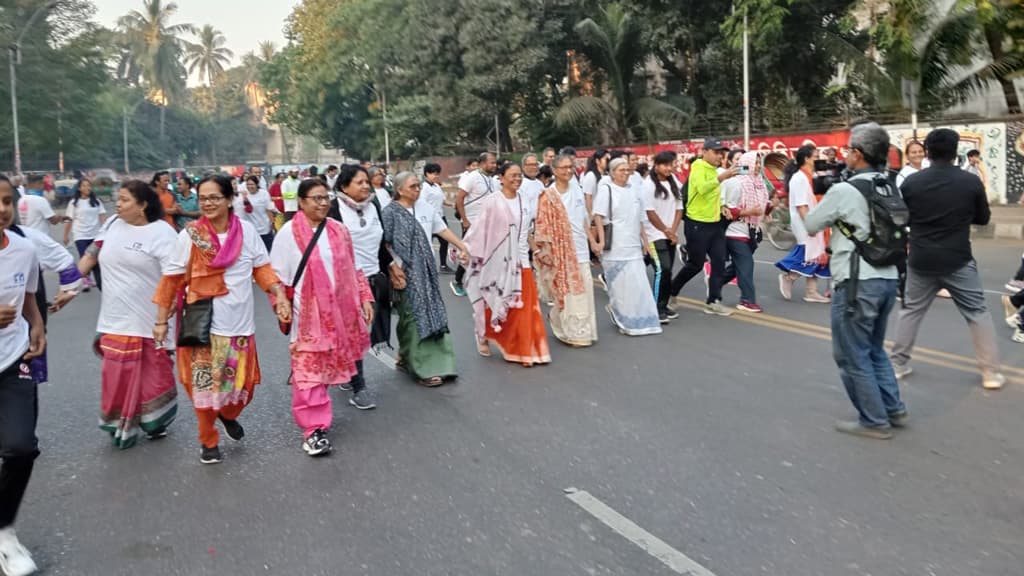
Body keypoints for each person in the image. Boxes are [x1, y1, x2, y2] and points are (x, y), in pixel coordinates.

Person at [152, 175, 291, 464]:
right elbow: (171, 280)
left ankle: (226, 415)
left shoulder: (248, 233)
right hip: (202, 328)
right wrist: (161, 321)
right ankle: (208, 440)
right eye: (203, 198)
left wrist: (278, 294)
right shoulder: (191, 235)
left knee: (240, 389)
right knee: (204, 390)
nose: (208, 203)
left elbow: (262, 269)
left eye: (215, 197)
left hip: (239, 326)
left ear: (229, 200)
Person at [802, 122, 906, 439]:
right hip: (888, 277)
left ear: (858, 154)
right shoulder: (890, 185)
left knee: (850, 354)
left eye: (849, 149)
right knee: (874, 348)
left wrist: (827, 195)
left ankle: (873, 421)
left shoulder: (845, 189)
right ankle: (893, 408)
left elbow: (811, 223)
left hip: (858, 282)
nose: (846, 155)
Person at [890, 128, 1006, 390]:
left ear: (928, 152)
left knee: (910, 311)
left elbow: (903, 218)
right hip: (958, 259)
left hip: (920, 260)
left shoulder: (911, 183)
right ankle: (990, 373)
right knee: (977, 312)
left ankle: (897, 364)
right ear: (956, 152)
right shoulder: (970, 182)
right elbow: (983, 219)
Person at [271, 179, 372, 456]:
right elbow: (275, 277)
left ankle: (320, 413)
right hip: (308, 317)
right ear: (301, 202)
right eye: (315, 198)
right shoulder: (288, 233)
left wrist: (364, 296)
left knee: (326, 368)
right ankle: (314, 429)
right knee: (309, 372)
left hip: (341, 314)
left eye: (325, 197)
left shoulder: (339, 230)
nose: (323, 203)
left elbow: (355, 267)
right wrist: (279, 301)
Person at [75, 181, 179, 449]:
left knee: (154, 375)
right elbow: (90, 256)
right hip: (115, 318)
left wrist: (164, 318)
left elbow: (174, 279)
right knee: (115, 375)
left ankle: (154, 422)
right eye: (117, 199)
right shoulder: (111, 225)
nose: (117, 205)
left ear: (143, 205)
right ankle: (119, 422)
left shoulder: (163, 233)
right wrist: (70, 286)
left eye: (123, 200)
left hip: (151, 318)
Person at [0, 177, 47, 576]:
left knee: (20, 447)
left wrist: (37, 325)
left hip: (13, 360)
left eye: (5, 201)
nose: (1, 209)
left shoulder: (23, 249)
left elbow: (28, 296)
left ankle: (4, 533)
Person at [382, 172, 468, 385]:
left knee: (432, 314)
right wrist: (393, 268)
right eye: (412, 187)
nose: (417, 190)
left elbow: (442, 229)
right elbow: (384, 243)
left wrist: (462, 245)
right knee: (411, 316)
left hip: (427, 271)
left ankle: (433, 363)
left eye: (418, 186)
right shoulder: (390, 212)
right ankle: (421, 366)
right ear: (400, 189)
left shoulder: (425, 208)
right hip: (404, 272)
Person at [465, 162, 551, 366]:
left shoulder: (525, 200)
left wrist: (537, 250)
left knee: (525, 307)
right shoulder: (493, 202)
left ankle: (524, 349)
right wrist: (466, 249)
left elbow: (527, 232)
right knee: (497, 301)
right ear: (501, 178)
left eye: (519, 175)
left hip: (522, 259)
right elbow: (480, 230)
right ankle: (483, 333)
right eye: (512, 175)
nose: (517, 179)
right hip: (499, 261)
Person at [327, 165, 391, 410]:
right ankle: (359, 386)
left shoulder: (373, 206)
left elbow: (379, 242)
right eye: (359, 182)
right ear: (344, 187)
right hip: (345, 284)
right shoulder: (334, 210)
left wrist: (392, 266)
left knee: (362, 332)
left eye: (367, 181)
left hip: (374, 278)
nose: (366, 186)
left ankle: (348, 368)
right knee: (356, 331)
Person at [592, 157, 662, 336]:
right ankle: (622, 317)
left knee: (638, 285)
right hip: (615, 246)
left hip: (633, 245)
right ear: (612, 172)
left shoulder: (634, 191)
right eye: (621, 170)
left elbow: (639, 220)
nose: (625, 173)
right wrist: (600, 241)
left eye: (627, 170)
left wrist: (645, 243)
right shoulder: (606, 189)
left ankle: (641, 320)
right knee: (621, 287)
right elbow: (599, 216)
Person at [534, 154, 598, 347]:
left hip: (580, 250)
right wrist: (549, 252)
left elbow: (583, 220)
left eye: (570, 167)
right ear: (554, 170)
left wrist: (592, 242)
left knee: (584, 289)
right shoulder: (548, 196)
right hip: (561, 252)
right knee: (568, 292)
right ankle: (573, 332)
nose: (568, 171)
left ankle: (578, 327)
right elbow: (542, 227)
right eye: (563, 168)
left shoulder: (577, 189)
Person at [669, 138, 737, 316]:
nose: (719, 156)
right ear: (704, 151)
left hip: (715, 224)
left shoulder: (714, 170)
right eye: (716, 152)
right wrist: (721, 178)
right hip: (697, 224)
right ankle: (672, 292)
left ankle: (713, 301)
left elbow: (713, 195)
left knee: (719, 262)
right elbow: (702, 189)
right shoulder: (698, 167)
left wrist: (722, 206)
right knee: (696, 264)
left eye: (721, 153)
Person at [776, 144, 831, 303]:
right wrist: (810, 224)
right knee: (809, 253)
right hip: (803, 220)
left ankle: (811, 292)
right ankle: (789, 277)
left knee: (818, 253)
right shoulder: (799, 178)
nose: (817, 159)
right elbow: (801, 205)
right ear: (806, 159)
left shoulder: (812, 176)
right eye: (815, 156)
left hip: (814, 218)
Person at [720, 152, 772, 313]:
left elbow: (762, 207)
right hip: (734, 230)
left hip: (751, 230)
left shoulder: (759, 183)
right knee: (746, 263)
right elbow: (726, 209)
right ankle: (747, 300)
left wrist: (769, 208)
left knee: (738, 266)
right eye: (754, 163)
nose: (757, 166)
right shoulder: (735, 183)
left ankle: (715, 281)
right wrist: (750, 211)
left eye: (759, 163)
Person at [642, 151, 684, 322]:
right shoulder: (648, 184)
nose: (669, 168)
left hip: (669, 234)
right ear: (657, 165)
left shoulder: (674, 182)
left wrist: (673, 231)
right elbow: (650, 213)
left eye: (671, 164)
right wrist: (666, 231)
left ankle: (664, 305)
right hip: (654, 234)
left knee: (668, 271)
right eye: (665, 165)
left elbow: (679, 209)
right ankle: (656, 308)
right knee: (662, 270)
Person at [452, 152, 498, 297]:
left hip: (488, 224)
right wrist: (465, 220)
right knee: (467, 253)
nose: (494, 165)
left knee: (486, 253)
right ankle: (457, 281)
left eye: (495, 162)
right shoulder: (472, 178)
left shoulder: (494, 180)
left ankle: (483, 283)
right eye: (492, 162)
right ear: (482, 163)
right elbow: (459, 199)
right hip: (472, 222)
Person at [63, 178, 107, 292]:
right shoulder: (74, 203)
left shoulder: (96, 201)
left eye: (89, 186)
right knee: (85, 257)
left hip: (95, 235)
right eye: (84, 186)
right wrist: (66, 235)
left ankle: (100, 283)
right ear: (79, 188)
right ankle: (86, 279)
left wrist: (106, 231)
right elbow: (69, 219)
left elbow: (102, 216)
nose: (87, 188)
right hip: (80, 235)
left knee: (96, 260)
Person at [421, 163, 453, 272]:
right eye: (432, 173)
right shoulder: (423, 188)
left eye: (437, 174)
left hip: (440, 217)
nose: (435, 176)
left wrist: (453, 204)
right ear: (426, 174)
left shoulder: (437, 186)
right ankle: (426, 266)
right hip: (428, 220)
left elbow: (443, 200)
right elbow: (421, 203)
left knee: (445, 241)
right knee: (427, 244)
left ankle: (443, 265)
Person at [235, 175, 276, 252]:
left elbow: (269, 209)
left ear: (257, 184)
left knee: (267, 251)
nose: (250, 186)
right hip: (251, 230)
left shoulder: (264, 194)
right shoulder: (244, 195)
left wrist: (272, 224)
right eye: (248, 184)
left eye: (252, 184)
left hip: (264, 228)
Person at [580, 148, 609, 215]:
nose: (608, 161)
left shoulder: (607, 175)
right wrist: (591, 216)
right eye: (605, 159)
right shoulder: (591, 176)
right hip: (595, 215)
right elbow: (588, 198)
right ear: (597, 161)